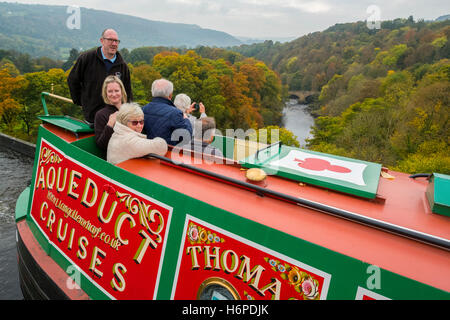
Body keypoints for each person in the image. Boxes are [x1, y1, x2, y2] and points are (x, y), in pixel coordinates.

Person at [67, 28, 133, 124]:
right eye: (110, 40)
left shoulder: (122, 66)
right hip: (92, 117)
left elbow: (127, 91)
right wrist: (81, 102)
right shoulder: (86, 58)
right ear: (102, 40)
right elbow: (73, 80)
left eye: (116, 41)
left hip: (114, 118)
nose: (114, 44)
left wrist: (127, 113)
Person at [142, 79, 192, 146]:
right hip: (165, 154)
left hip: (146, 151)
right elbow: (186, 137)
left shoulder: (143, 109)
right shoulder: (175, 113)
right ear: (170, 95)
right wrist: (186, 120)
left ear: (152, 92)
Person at [94, 75, 127, 151]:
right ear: (105, 93)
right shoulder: (101, 115)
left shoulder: (128, 109)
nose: (114, 94)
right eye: (110, 91)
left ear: (122, 91)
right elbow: (101, 145)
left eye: (116, 90)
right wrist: (110, 124)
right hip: (117, 155)